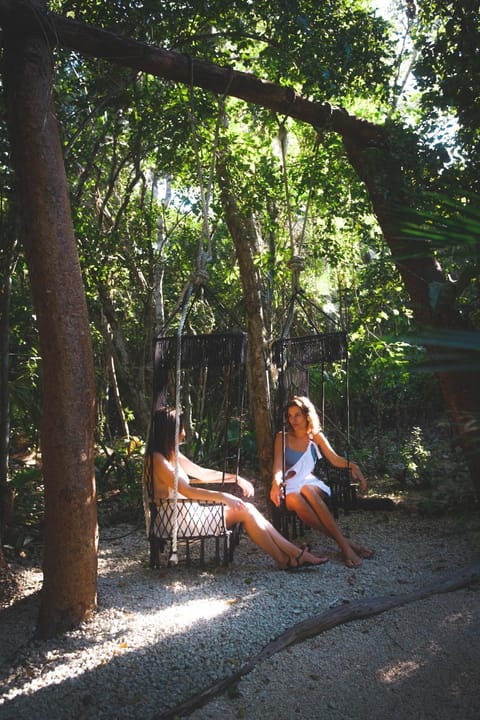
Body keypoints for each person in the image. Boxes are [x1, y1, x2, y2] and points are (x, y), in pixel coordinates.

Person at [145, 407, 329, 570]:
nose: (184, 433)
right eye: (181, 429)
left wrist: (236, 478)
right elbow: (187, 490)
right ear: (169, 431)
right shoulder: (157, 460)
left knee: (247, 508)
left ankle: (289, 557)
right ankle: (290, 556)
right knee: (245, 511)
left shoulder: (170, 454)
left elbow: (202, 473)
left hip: (188, 514)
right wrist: (225, 497)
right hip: (177, 522)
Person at [270, 395, 374, 568]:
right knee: (295, 497)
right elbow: (278, 466)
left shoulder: (315, 436)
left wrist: (353, 466)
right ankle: (346, 544)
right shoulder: (282, 437)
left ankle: (344, 546)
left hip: (309, 482)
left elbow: (334, 459)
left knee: (307, 490)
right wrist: (275, 482)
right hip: (289, 484)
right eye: (290, 415)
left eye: (297, 415)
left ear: (306, 416)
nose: (293, 420)